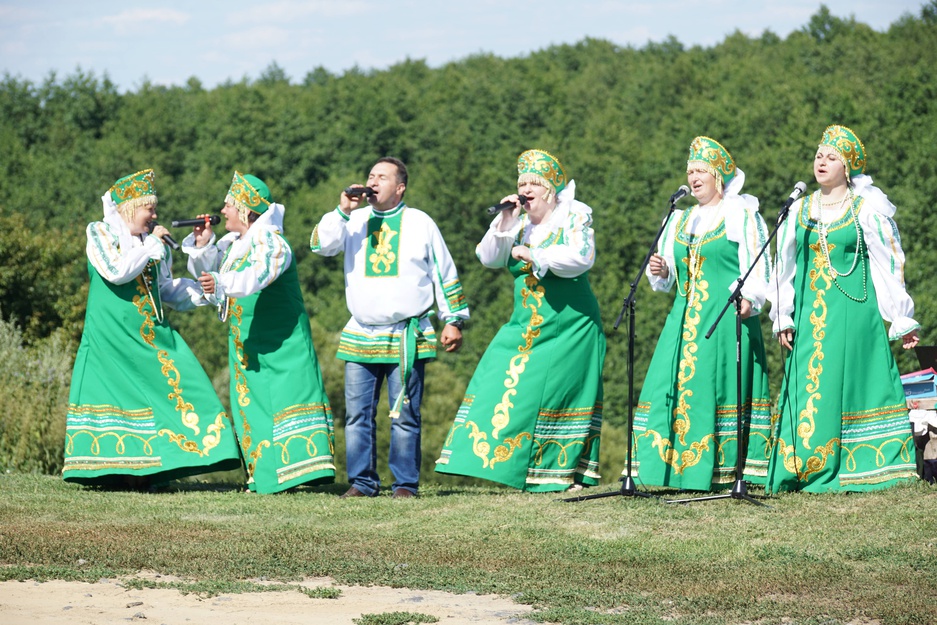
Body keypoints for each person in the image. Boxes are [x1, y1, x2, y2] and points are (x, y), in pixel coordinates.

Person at [435, 149, 605, 492]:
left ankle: (559, 474)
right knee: (496, 377)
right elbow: (488, 257)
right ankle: (502, 462)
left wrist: (536, 254)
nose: (525, 189)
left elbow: (582, 257)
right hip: (526, 324)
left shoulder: (574, 216)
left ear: (550, 191)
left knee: (558, 396)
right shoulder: (519, 222)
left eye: (533, 183)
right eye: (521, 183)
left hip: (570, 323)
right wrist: (505, 222)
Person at [63, 169, 242, 489]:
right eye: (150, 209)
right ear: (131, 207)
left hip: (150, 334)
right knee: (119, 401)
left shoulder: (150, 242)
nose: (155, 216)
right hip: (112, 336)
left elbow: (166, 290)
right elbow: (116, 271)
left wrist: (206, 291)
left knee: (185, 385)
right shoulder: (100, 232)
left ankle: (160, 467)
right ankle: (119, 473)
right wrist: (149, 249)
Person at [766, 125, 920, 493]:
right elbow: (781, 267)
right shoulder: (799, 210)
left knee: (851, 382)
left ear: (847, 167)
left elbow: (888, 263)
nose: (822, 162)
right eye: (819, 155)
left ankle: (865, 463)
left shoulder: (866, 209)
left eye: (831, 157)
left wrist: (900, 316)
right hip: (809, 315)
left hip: (854, 312)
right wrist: (782, 315)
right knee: (809, 385)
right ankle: (802, 465)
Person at [310, 156, 469, 499]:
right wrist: (342, 210)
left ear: (399, 187)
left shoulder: (420, 222)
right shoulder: (353, 220)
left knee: (405, 415)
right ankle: (363, 482)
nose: (373, 181)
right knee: (357, 416)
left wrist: (453, 319)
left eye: (382, 177)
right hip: (362, 332)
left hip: (406, 334)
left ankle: (405, 485)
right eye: (370, 175)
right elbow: (320, 245)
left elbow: (444, 271)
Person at [631, 137, 772, 491]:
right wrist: (661, 271)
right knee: (669, 385)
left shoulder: (741, 214)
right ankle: (670, 470)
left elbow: (759, 263)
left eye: (700, 171)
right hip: (683, 318)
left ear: (718, 177)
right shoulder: (679, 218)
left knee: (717, 388)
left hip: (724, 317)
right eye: (690, 171)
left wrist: (751, 298)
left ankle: (723, 471)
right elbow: (668, 280)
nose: (693, 178)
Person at [184, 171, 335, 494]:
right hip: (248, 342)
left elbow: (259, 274)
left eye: (228, 205)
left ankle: (295, 473)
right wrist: (201, 246)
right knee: (253, 405)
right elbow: (210, 279)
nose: (222, 211)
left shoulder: (270, 240)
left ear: (245, 210)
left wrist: (222, 283)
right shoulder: (234, 244)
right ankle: (265, 476)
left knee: (285, 400)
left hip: (282, 341)